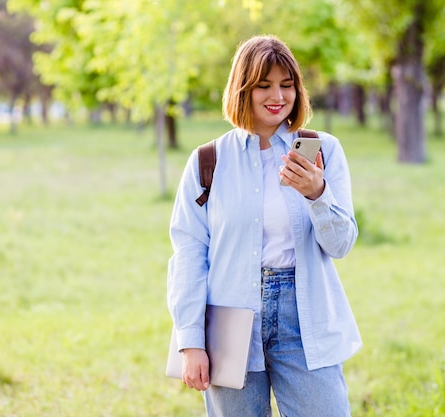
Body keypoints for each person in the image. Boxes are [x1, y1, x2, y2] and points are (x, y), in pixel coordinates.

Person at [167, 34, 362, 417]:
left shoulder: (323, 151)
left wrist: (317, 194)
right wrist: (190, 340)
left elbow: (342, 245)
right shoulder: (208, 160)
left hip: (305, 315)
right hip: (229, 317)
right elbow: (189, 253)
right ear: (243, 89)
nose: (278, 96)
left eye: (287, 85)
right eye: (264, 85)